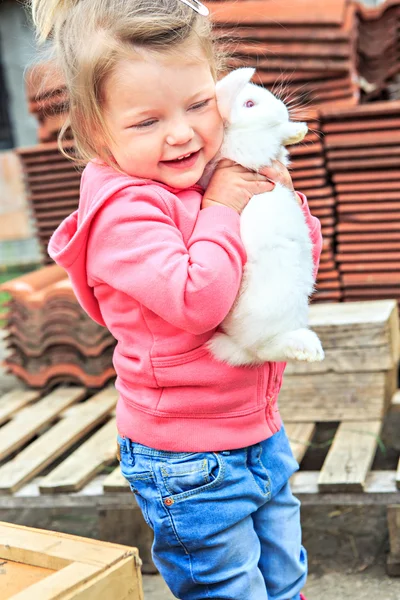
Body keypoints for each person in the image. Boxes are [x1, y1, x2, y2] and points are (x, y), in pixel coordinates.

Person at [31, 0, 322, 598]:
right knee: (230, 589)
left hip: (257, 427)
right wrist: (222, 208)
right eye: (146, 121)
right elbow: (198, 301)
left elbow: (289, 268)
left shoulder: (210, 174)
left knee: (285, 576)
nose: (183, 132)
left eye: (197, 105)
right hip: (187, 459)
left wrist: (287, 206)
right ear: (95, 131)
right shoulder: (126, 211)